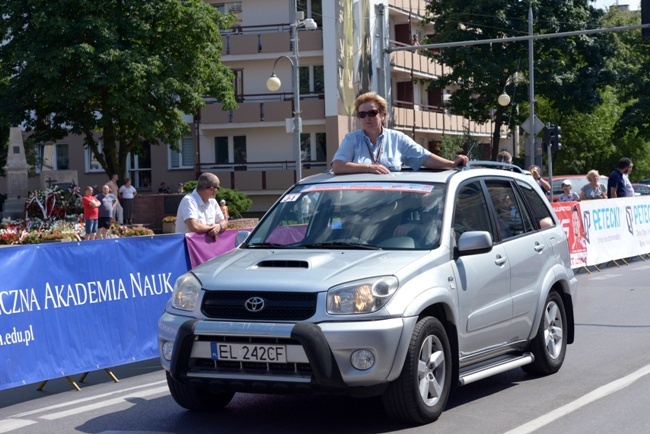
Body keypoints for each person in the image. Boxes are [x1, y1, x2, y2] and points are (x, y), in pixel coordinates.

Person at [331, 92, 468, 174]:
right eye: (362, 114)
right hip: (357, 209)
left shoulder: (397, 138)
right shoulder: (351, 139)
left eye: (372, 113)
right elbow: (337, 166)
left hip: (392, 209)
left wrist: (452, 164)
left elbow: (424, 158)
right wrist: (369, 168)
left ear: (383, 115)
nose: (367, 118)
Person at [175, 172, 228, 239]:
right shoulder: (189, 200)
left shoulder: (213, 201)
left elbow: (224, 222)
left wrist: (219, 226)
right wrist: (213, 228)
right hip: (188, 247)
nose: (218, 191)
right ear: (211, 189)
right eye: (218, 188)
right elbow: (194, 226)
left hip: (204, 247)